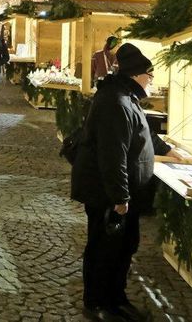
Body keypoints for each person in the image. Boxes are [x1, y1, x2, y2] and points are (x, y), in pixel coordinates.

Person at [71, 43, 183, 320]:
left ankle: (115, 299)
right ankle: (96, 304)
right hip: (106, 194)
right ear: (136, 75)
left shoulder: (125, 96)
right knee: (103, 249)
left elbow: (141, 131)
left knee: (122, 247)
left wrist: (167, 150)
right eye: (149, 74)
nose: (151, 79)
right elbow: (113, 156)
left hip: (121, 192)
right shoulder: (116, 102)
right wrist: (120, 199)